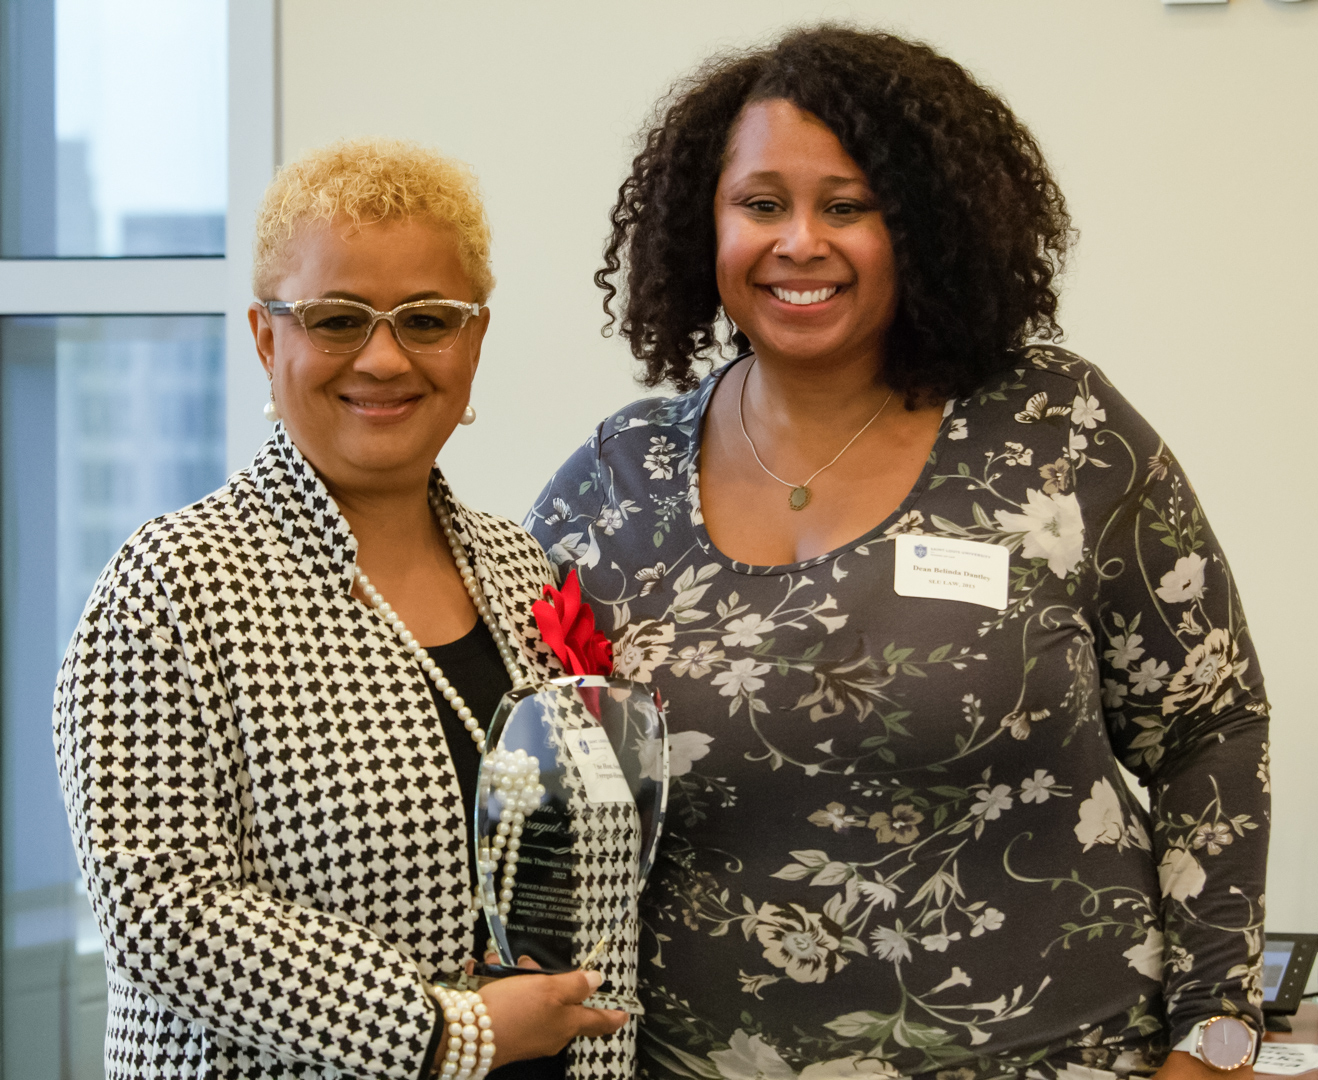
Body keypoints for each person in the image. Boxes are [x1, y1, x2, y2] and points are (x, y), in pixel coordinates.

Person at [527, 27, 1268, 1080]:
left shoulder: (1060, 431)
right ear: (706, 225)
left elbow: (1211, 725)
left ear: (922, 226)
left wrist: (1214, 1036)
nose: (799, 243)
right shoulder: (617, 479)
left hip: (1059, 1056)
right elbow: (534, 789)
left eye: (847, 205)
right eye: (760, 204)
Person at [53, 138, 628, 1080]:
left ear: (475, 340)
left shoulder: (520, 568)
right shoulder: (173, 584)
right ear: (266, 338)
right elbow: (163, 906)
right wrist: (450, 1032)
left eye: (429, 319)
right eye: (337, 319)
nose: (386, 357)